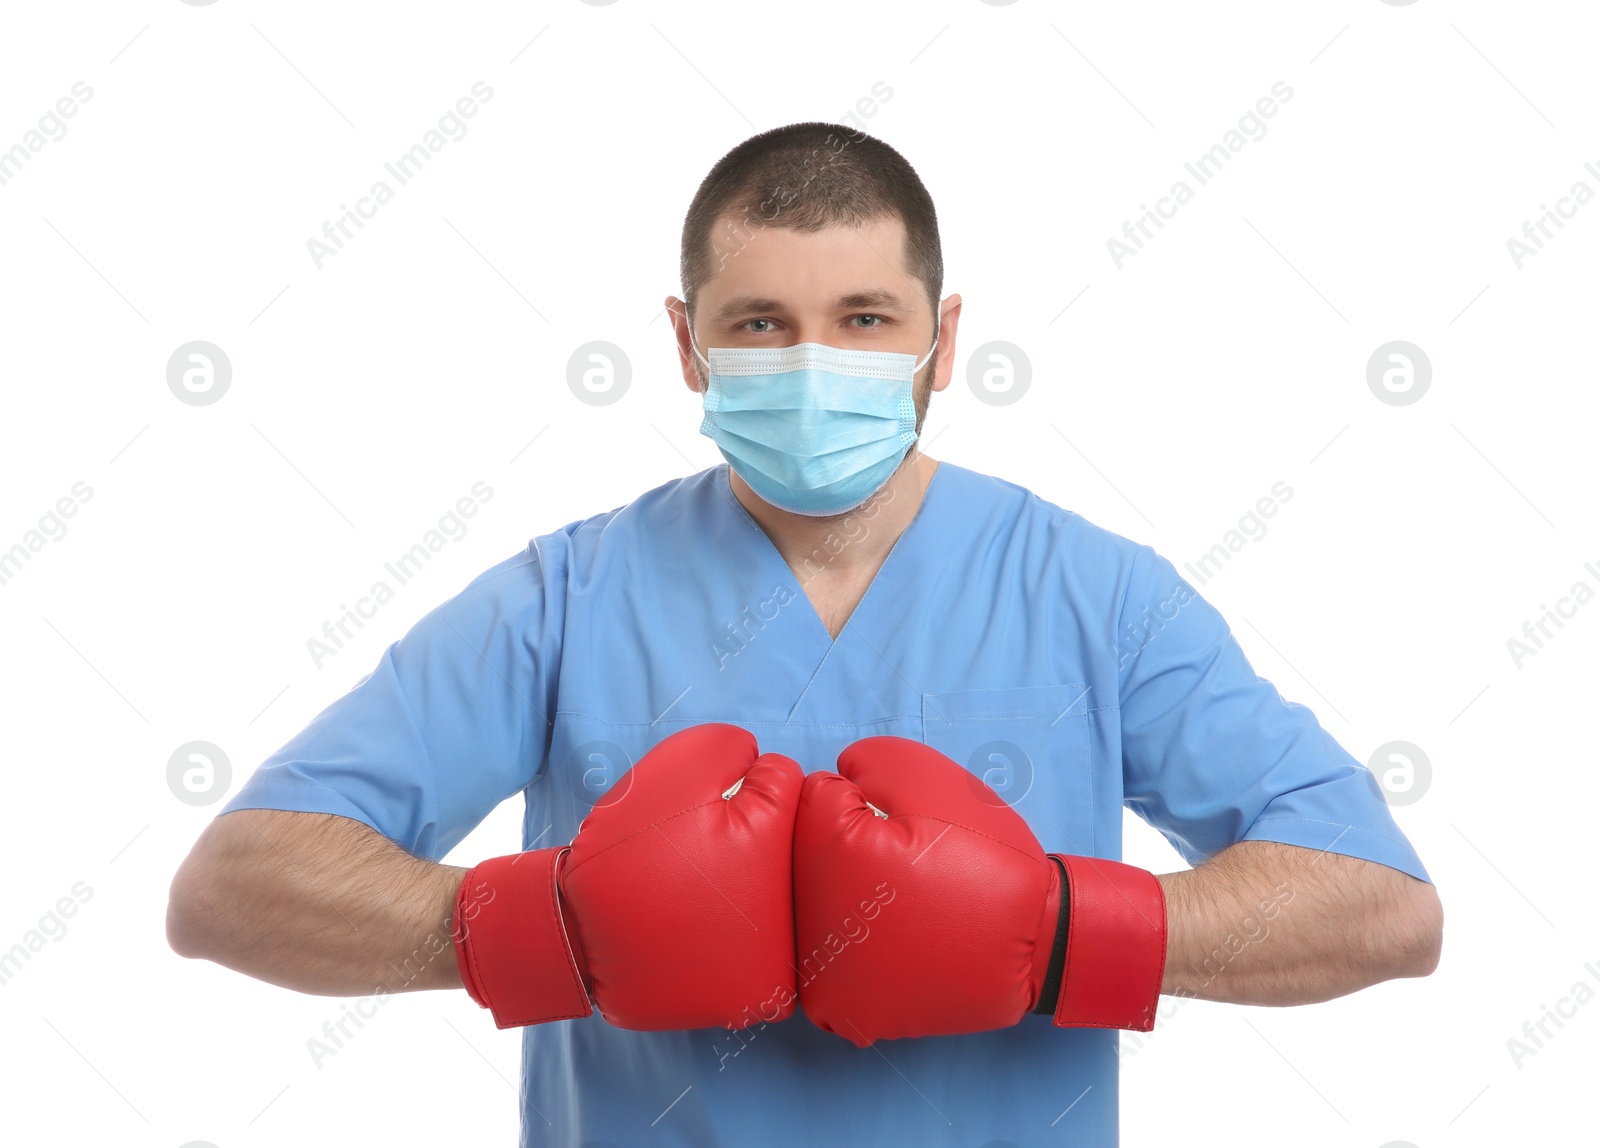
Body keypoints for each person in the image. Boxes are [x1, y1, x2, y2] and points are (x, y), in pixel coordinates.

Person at [166, 121, 1442, 1147]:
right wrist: (544, 927)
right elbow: (231, 887)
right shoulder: (563, 596)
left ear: (943, 345)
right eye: (762, 323)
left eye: (866, 319)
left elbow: (1383, 907)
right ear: (687, 344)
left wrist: (1061, 933)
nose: (814, 360)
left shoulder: (1096, 594)